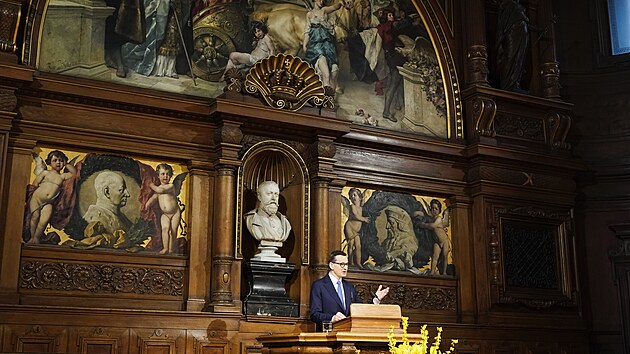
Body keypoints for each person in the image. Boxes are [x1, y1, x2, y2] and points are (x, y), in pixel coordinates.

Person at [310, 250, 390, 331]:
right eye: (341, 264)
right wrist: (332, 318)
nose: (345, 268)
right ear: (331, 265)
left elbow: (359, 310)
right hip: (328, 335)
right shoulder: (319, 285)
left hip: (348, 333)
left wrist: (376, 300)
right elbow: (315, 315)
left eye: (346, 264)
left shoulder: (349, 287)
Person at [26, 150, 77, 244]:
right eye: (55, 160)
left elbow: (74, 174)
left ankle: (37, 238)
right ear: (49, 162)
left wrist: (66, 164)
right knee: (35, 216)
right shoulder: (45, 173)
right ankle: (32, 237)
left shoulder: (62, 176)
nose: (58, 162)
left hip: (49, 202)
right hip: (36, 198)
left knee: (44, 220)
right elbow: (35, 184)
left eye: (61, 160)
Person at [303, 0, 352, 91]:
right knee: (326, 74)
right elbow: (307, 31)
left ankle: (330, 101)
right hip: (317, 46)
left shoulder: (324, 10)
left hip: (328, 45)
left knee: (334, 73)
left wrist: (341, 3)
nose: (321, 1)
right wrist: (305, 44)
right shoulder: (309, 14)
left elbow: (334, 7)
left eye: (323, 0)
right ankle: (326, 102)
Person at [145, 163, 181, 254]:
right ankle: (165, 248)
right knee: (165, 229)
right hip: (165, 214)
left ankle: (171, 249)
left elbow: (160, 190)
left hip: (175, 213)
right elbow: (153, 198)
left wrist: (151, 185)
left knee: (173, 231)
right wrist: (147, 205)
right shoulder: (158, 189)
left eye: (168, 174)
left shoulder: (170, 186)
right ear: (158, 176)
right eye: (163, 174)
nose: (165, 176)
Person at [496, 0, 529, 92]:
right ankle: (508, 84)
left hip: (520, 34)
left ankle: (515, 83)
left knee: (519, 60)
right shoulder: (511, 6)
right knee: (510, 57)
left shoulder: (517, 7)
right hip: (513, 34)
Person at [417, 199, 450, 275]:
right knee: (435, 257)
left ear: (439, 210)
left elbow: (433, 226)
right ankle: (432, 272)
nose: (434, 210)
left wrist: (423, 225)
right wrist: (417, 214)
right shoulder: (431, 218)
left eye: (436, 209)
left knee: (445, 256)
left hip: (444, 241)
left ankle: (444, 272)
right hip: (437, 241)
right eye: (433, 208)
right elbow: (425, 216)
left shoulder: (438, 219)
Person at [381, 206, 418, 271]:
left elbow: (406, 252)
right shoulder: (386, 242)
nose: (387, 226)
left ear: (400, 225)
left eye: (391, 223)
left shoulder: (409, 241)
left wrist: (394, 254)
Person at [343, 188, 370, 268]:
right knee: (351, 244)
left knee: (358, 246)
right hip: (350, 227)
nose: (353, 197)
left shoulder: (362, 208)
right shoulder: (352, 207)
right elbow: (356, 215)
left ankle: (358, 263)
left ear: (360, 197)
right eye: (351, 196)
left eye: (355, 195)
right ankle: (350, 262)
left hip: (357, 230)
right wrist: (364, 219)